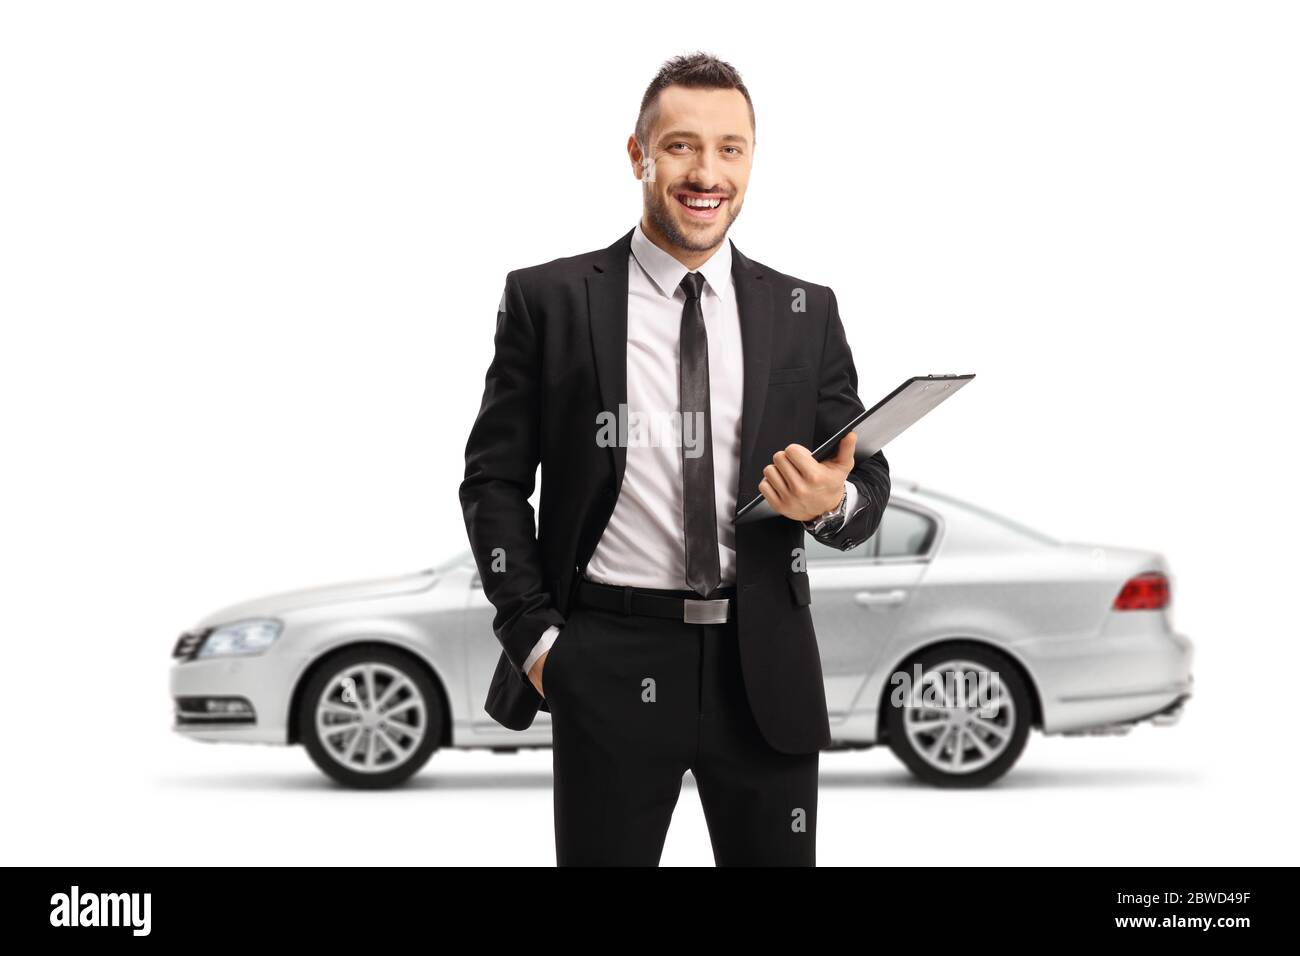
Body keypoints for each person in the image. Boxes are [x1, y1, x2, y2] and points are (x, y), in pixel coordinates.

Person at [459, 52, 890, 866]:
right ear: (639, 156)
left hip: (762, 663)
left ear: (751, 160)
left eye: (731, 148)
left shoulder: (805, 311)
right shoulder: (549, 300)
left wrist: (829, 502)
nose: (707, 171)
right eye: (683, 145)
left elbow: (864, 481)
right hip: (607, 659)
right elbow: (493, 481)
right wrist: (537, 641)